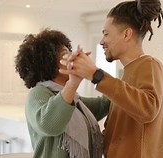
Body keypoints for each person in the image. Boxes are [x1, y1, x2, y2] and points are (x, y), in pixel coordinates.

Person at [59, 0, 163, 157]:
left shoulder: (150, 65)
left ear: (126, 34)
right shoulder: (127, 74)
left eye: (106, 34)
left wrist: (96, 75)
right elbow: (118, 132)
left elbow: (148, 109)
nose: (101, 41)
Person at [15, 29, 110, 158]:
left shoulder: (74, 99)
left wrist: (95, 72)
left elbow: (104, 104)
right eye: (65, 54)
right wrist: (72, 84)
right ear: (49, 63)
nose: (72, 57)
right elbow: (49, 125)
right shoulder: (37, 94)